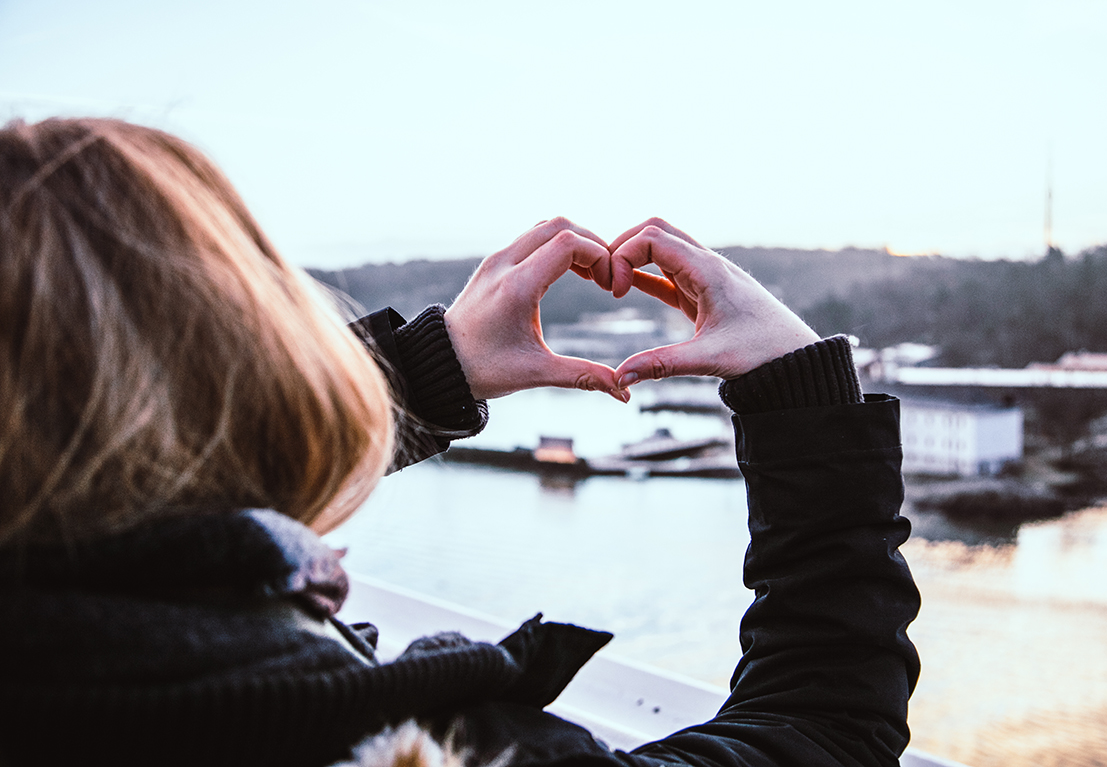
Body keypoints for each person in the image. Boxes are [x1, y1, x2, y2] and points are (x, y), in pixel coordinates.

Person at [0, 118, 919, 767]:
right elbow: (828, 728)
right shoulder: (405, 749)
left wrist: (433, 369)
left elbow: (125, 475)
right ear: (265, 353)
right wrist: (802, 395)